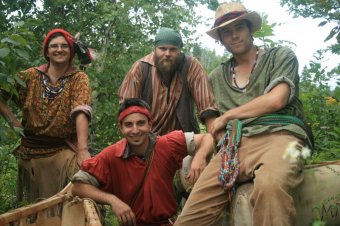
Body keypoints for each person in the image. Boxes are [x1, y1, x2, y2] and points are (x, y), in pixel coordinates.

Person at [175, 2, 313, 226]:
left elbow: (277, 98)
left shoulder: (280, 56)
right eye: (226, 32)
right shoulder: (217, 76)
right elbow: (213, 127)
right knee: (192, 214)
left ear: (250, 28)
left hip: (282, 137)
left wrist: (229, 116)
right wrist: (213, 149)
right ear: (220, 38)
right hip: (234, 146)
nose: (234, 35)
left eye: (239, 27)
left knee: (270, 187)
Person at [71, 98, 215, 226]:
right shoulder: (111, 155)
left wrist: (199, 157)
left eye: (140, 123)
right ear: (120, 128)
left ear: (150, 124)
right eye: (128, 125)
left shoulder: (168, 144)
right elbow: (78, 186)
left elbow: (208, 137)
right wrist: (112, 200)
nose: (135, 130)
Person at [0, 28, 92, 202]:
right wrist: (13, 121)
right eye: (54, 46)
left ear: (71, 51)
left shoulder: (79, 78)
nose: (59, 49)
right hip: (31, 152)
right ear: (47, 52)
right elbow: (2, 93)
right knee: (35, 208)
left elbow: (81, 110)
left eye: (64, 46)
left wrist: (82, 150)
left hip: (62, 152)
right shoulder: (30, 76)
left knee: (77, 198)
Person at [118, 27, 219, 135]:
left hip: (184, 139)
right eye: (162, 48)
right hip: (148, 140)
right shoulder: (140, 68)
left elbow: (207, 108)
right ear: (155, 49)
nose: (167, 54)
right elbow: (127, 111)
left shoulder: (192, 66)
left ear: (180, 51)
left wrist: (214, 138)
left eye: (173, 49)